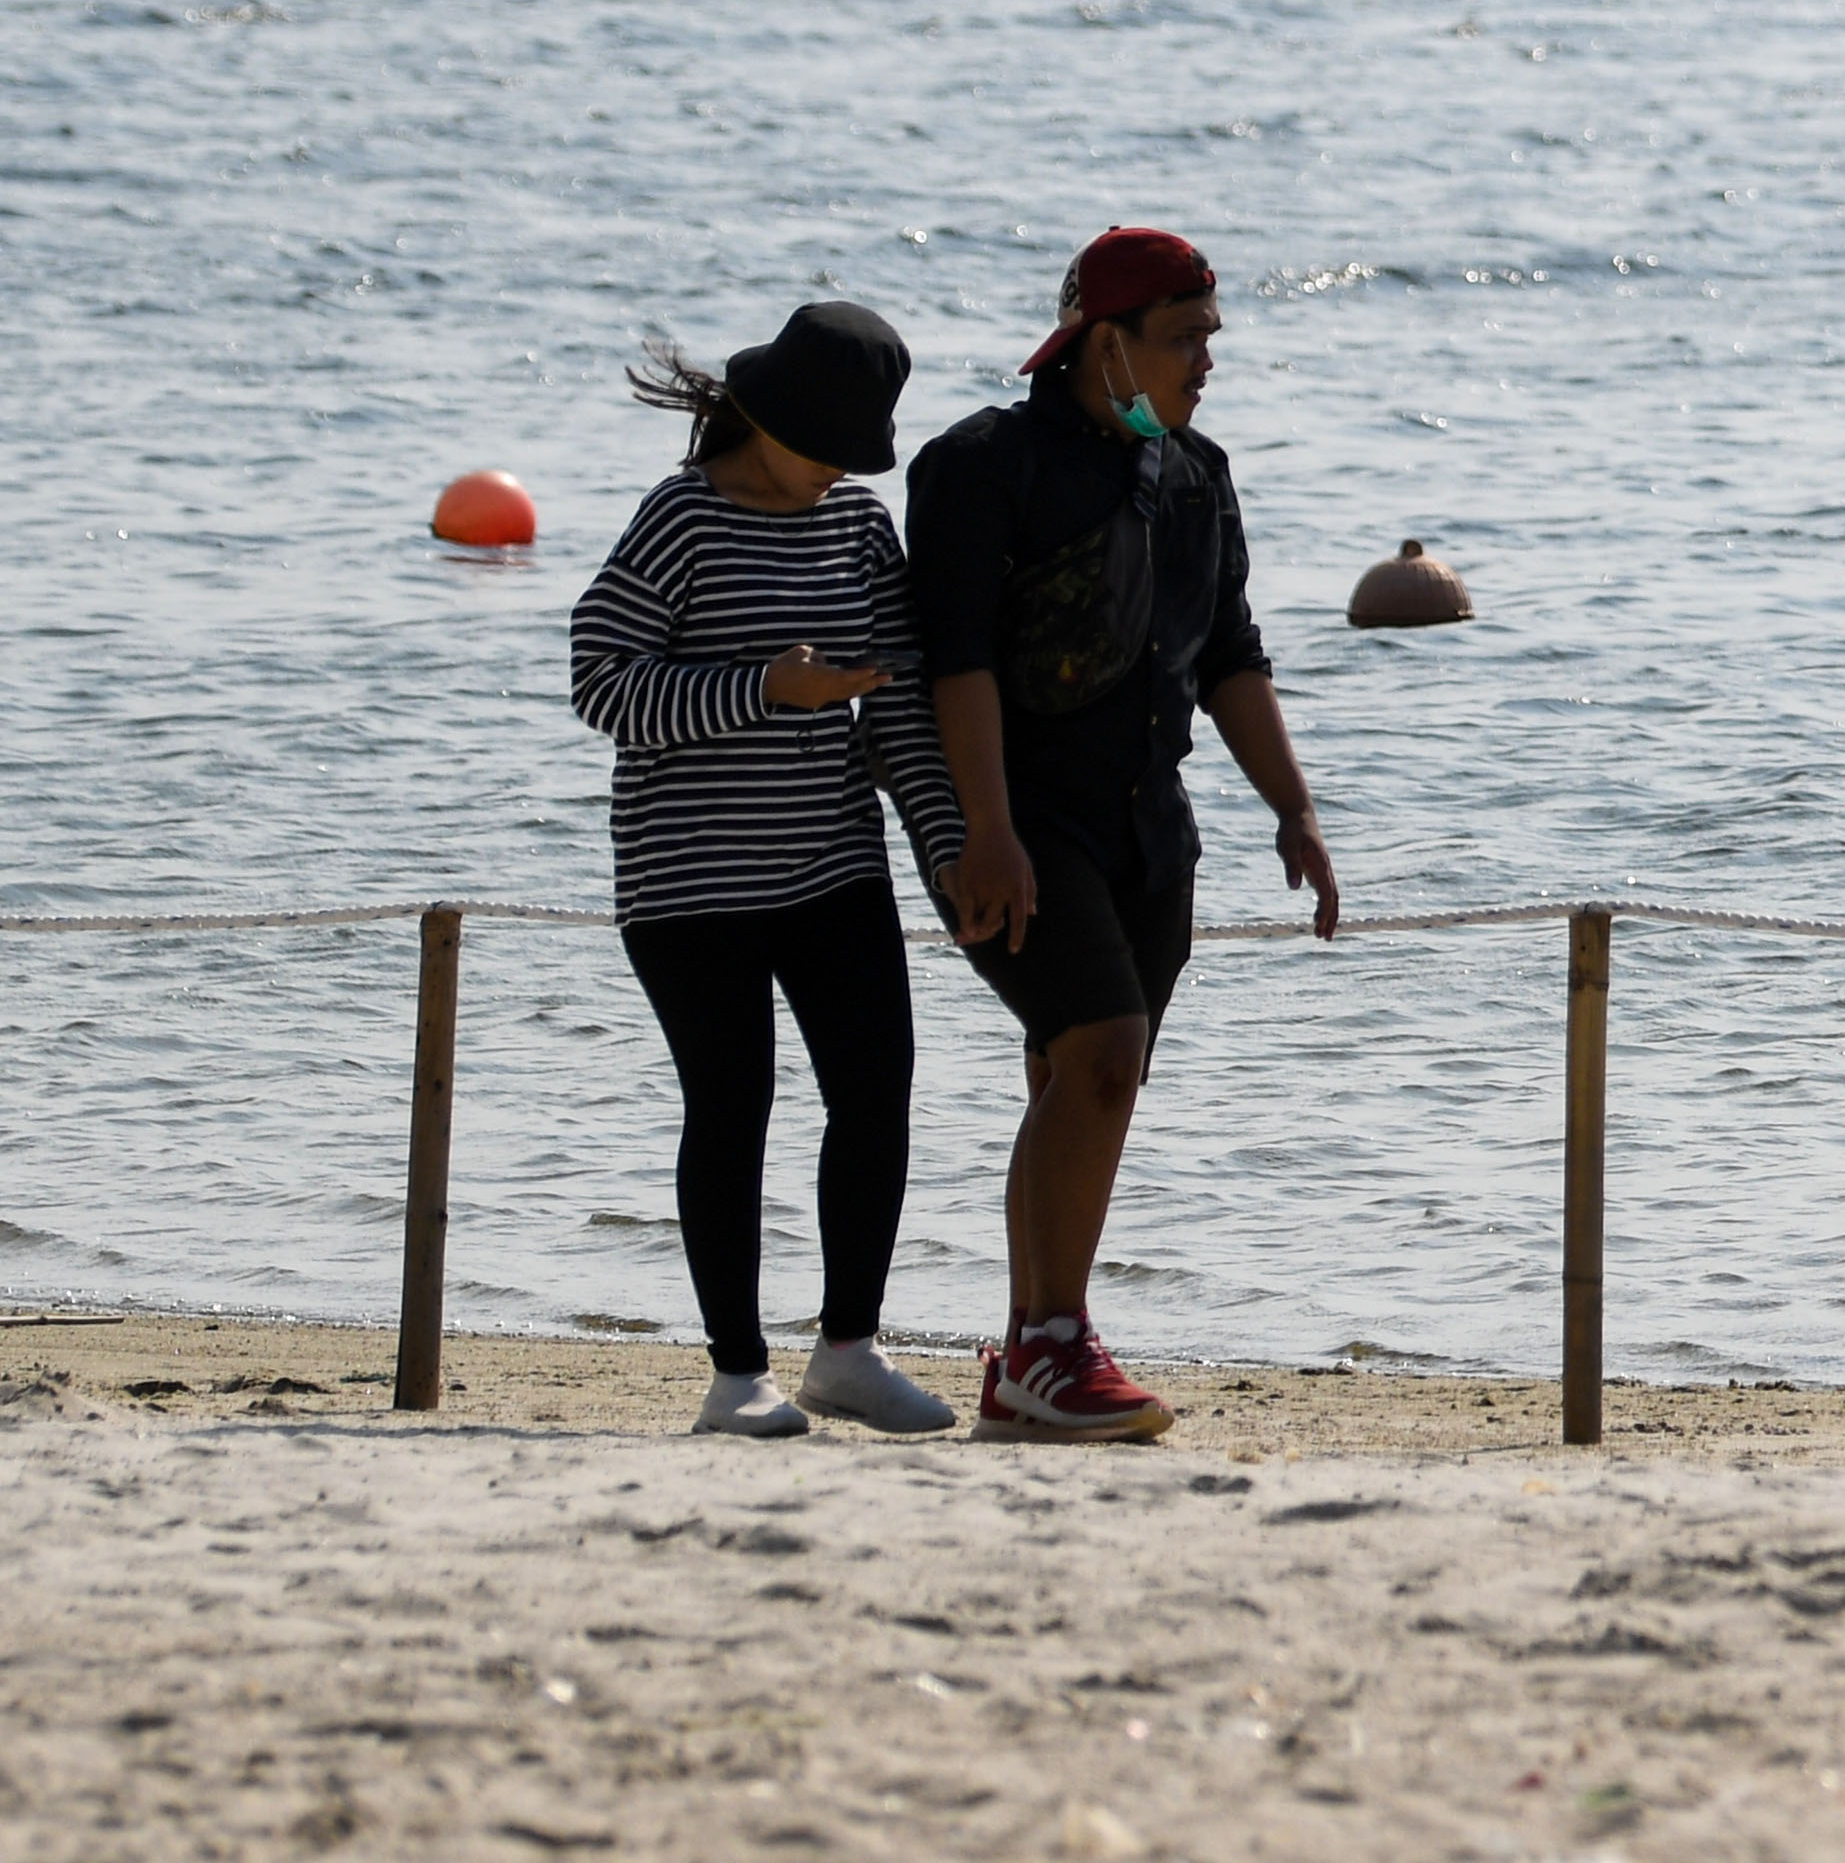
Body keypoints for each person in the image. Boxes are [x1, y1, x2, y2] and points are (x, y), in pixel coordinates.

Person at [908, 226, 1339, 1441]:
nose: (1208, 360)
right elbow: (956, 663)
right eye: (1185, 337)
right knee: (1100, 1048)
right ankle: (1055, 1339)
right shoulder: (981, 463)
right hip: (1016, 820)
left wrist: (1295, 810)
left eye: (1212, 336)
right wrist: (984, 830)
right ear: (1106, 342)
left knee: (1082, 1073)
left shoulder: (1196, 472)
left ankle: (1028, 1354)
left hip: (1150, 824)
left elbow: (1233, 655)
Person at [569, 298, 972, 1440]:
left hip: (833, 862)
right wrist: (763, 689)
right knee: (731, 1104)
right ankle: (735, 1376)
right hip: (686, 879)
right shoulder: (683, 517)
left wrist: (947, 847)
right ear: (765, 419)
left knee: (878, 1087)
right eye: (828, 447)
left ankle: (849, 1352)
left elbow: (900, 712)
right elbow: (600, 681)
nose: (843, 470)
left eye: (859, 452)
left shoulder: (859, 527)